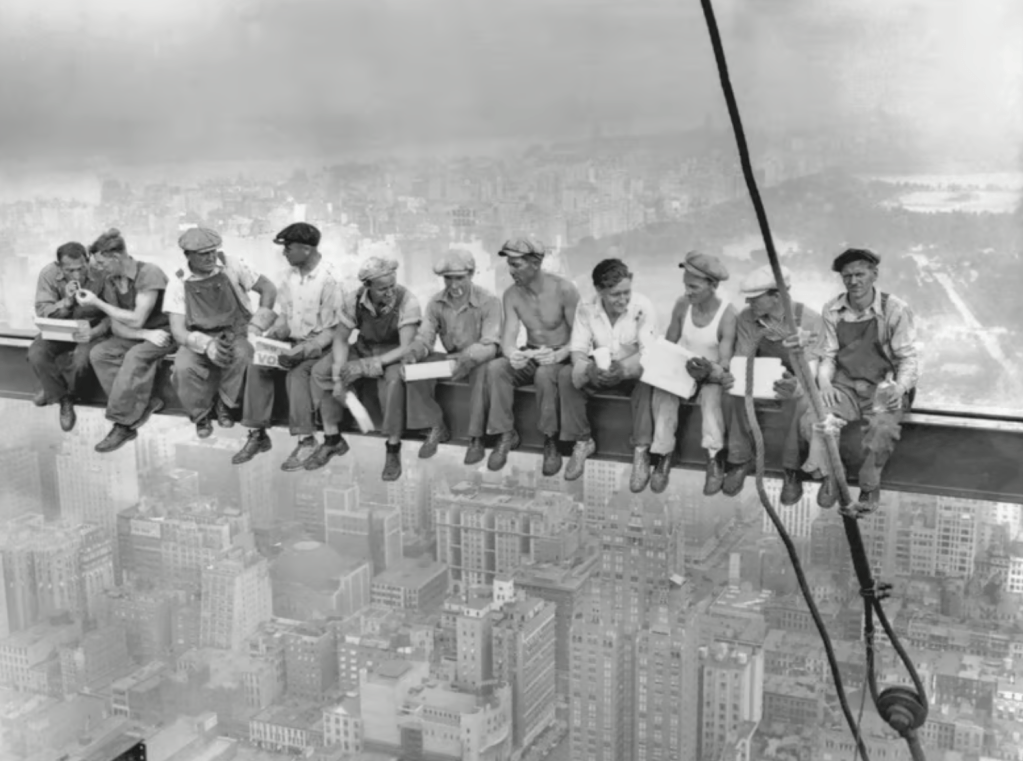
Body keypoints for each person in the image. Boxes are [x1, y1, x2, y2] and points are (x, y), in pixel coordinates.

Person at [801, 248, 920, 510]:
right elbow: (829, 355)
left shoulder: (895, 309)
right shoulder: (832, 309)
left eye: (859, 274)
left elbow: (908, 359)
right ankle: (833, 473)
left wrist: (898, 389)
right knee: (815, 418)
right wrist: (825, 384)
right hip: (846, 385)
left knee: (882, 429)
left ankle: (869, 484)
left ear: (873, 274)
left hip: (883, 387)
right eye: (847, 276)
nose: (853, 281)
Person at [232, 222, 344, 471]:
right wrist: (270, 335)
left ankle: (306, 439)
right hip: (293, 343)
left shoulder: (330, 280)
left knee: (297, 374)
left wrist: (303, 351)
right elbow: (284, 316)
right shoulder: (289, 278)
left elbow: (331, 331)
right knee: (257, 364)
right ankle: (257, 434)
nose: (285, 253)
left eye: (289, 248)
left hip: (320, 348)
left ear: (306, 249)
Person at [311, 255, 422, 480]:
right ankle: (333, 438)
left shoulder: (408, 300)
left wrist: (365, 366)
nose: (389, 292)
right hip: (364, 347)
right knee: (322, 371)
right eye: (382, 289)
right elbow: (341, 339)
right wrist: (339, 373)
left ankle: (393, 447)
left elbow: (405, 346)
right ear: (368, 286)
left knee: (392, 382)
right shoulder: (354, 300)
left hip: (392, 354)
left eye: (392, 286)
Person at [720, 264, 823, 503]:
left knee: (799, 403)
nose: (749, 303)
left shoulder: (809, 319)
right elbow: (744, 355)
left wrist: (796, 386)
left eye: (755, 298)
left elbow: (812, 369)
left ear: (777, 296)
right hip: (759, 377)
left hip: (796, 381)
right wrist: (734, 376)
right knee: (732, 393)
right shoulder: (747, 318)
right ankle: (740, 458)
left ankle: (791, 469)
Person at [165, 227, 277, 439]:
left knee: (242, 356)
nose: (210, 257)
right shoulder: (178, 281)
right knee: (183, 367)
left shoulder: (232, 264)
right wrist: (207, 345)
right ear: (188, 255)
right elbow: (178, 330)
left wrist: (256, 326)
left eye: (212, 251)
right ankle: (201, 416)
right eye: (202, 254)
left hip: (235, 332)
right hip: (198, 336)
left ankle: (226, 405)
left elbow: (268, 289)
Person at [559, 257, 657, 490]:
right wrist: (590, 370)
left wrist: (624, 370)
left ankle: (641, 451)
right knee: (566, 376)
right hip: (601, 369)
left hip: (632, 370)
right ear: (599, 290)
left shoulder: (642, 307)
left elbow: (648, 352)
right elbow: (578, 350)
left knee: (648, 379)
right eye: (615, 294)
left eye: (626, 293)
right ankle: (582, 441)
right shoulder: (586, 308)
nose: (623, 300)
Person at [485, 238, 579, 475]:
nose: (511, 270)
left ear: (535, 264)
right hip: (532, 351)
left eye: (516, 264)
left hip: (561, 355)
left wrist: (559, 355)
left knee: (545, 374)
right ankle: (505, 434)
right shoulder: (511, 295)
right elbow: (508, 338)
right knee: (496, 368)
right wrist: (514, 354)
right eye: (510, 264)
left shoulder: (565, 290)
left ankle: (551, 440)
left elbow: (581, 337)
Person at [76, 229, 175, 452]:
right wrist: (143, 335)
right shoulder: (111, 281)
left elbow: (137, 318)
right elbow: (116, 323)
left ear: (116, 257)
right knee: (100, 353)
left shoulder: (149, 273)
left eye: (102, 263)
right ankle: (145, 403)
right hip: (144, 335)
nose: (99, 268)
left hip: (165, 333)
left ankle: (123, 423)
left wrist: (98, 303)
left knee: (135, 356)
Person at [649, 251, 737, 494]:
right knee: (664, 393)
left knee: (711, 399)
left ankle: (714, 456)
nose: (688, 292)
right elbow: (671, 342)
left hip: (709, 374)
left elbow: (726, 361)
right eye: (686, 286)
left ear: (713, 286)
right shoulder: (682, 305)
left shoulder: (728, 315)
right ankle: (664, 453)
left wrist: (710, 370)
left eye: (694, 287)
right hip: (682, 368)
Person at [402, 249, 502, 462]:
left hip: (479, 358)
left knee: (483, 372)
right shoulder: (436, 303)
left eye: (459, 278)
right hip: (453, 360)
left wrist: (469, 358)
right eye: (449, 279)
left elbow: (490, 344)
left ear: (471, 274)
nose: (454, 285)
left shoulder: (489, 301)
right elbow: (426, 337)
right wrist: (414, 352)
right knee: (416, 370)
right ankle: (435, 425)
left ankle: (476, 437)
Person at [28, 241, 110, 432]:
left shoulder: (101, 274)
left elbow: (111, 314)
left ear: (87, 261)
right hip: (59, 327)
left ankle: (54, 390)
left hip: (90, 328)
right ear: (59, 266)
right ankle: (62, 397)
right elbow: (42, 310)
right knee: (37, 354)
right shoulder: (48, 274)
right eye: (69, 270)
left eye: (81, 269)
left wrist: (95, 332)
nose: (77, 275)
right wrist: (66, 302)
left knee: (81, 362)